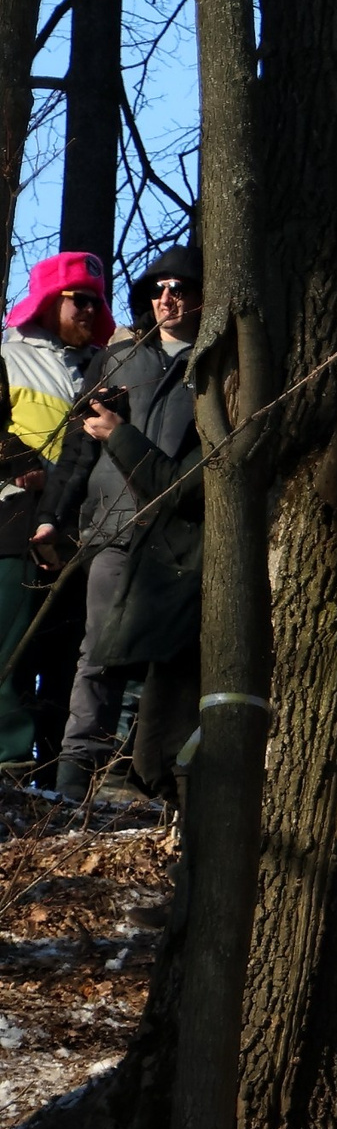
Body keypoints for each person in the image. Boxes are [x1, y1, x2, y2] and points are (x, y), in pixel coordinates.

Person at [39, 248, 199, 801]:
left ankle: (135, 780)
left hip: (179, 535)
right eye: (157, 289)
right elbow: (80, 446)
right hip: (112, 526)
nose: (167, 298)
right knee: (99, 655)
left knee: (162, 661)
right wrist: (51, 517)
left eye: (180, 287)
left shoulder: (217, 363)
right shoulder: (120, 356)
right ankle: (73, 782)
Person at [0, 252, 107, 767]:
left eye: (97, 302)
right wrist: (23, 461)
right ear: (48, 300)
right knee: (11, 653)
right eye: (79, 299)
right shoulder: (7, 355)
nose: (90, 310)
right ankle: (11, 766)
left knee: (69, 659)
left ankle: (55, 772)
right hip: (14, 524)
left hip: (82, 531)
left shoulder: (104, 366)